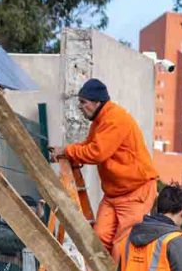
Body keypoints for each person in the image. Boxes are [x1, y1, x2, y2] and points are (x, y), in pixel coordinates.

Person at [51, 78, 159, 260]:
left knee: (121, 248)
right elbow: (89, 146)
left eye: (83, 102)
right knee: (99, 239)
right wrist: (71, 154)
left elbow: (97, 152)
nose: (80, 107)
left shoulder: (114, 119)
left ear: (97, 102)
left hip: (135, 192)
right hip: (114, 194)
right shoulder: (100, 121)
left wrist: (67, 151)